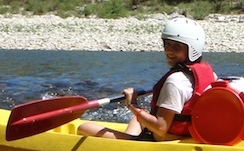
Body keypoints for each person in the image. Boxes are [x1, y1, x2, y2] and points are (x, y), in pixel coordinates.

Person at [77, 17, 216, 141]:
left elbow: (161, 128)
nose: (169, 51)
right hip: (187, 135)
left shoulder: (175, 81)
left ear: (192, 48)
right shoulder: (211, 75)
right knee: (136, 121)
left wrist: (132, 105)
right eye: (167, 44)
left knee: (84, 127)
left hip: (161, 140)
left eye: (176, 46)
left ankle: (127, 145)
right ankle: (123, 146)